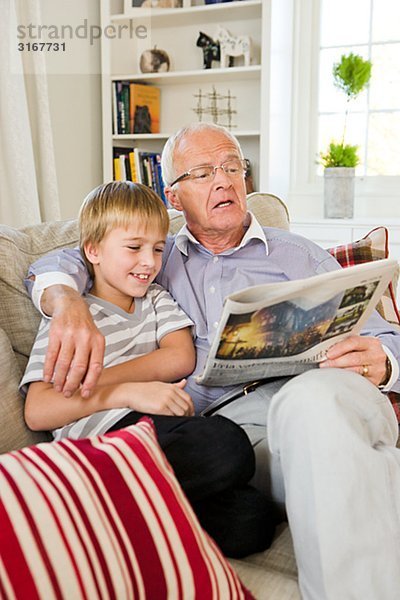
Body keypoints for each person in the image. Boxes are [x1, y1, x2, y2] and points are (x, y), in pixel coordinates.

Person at [26, 124, 400, 599]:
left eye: (232, 167)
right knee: (264, 506)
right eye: (203, 173)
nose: (224, 180)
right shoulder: (156, 263)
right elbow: (66, 258)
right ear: (174, 197)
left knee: (315, 405)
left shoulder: (298, 255)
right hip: (236, 435)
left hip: (316, 400)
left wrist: (385, 360)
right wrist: (65, 302)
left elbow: (387, 338)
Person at [20, 180, 276, 558]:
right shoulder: (72, 321)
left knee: (254, 520)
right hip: (101, 442)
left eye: (158, 249)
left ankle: (114, 520)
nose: (149, 262)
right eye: (134, 248)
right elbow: (38, 409)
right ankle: (94, 505)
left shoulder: (155, 298)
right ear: (93, 250)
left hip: (154, 430)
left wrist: (96, 384)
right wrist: (126, 392)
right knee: (228, 445)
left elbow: (180, 357)